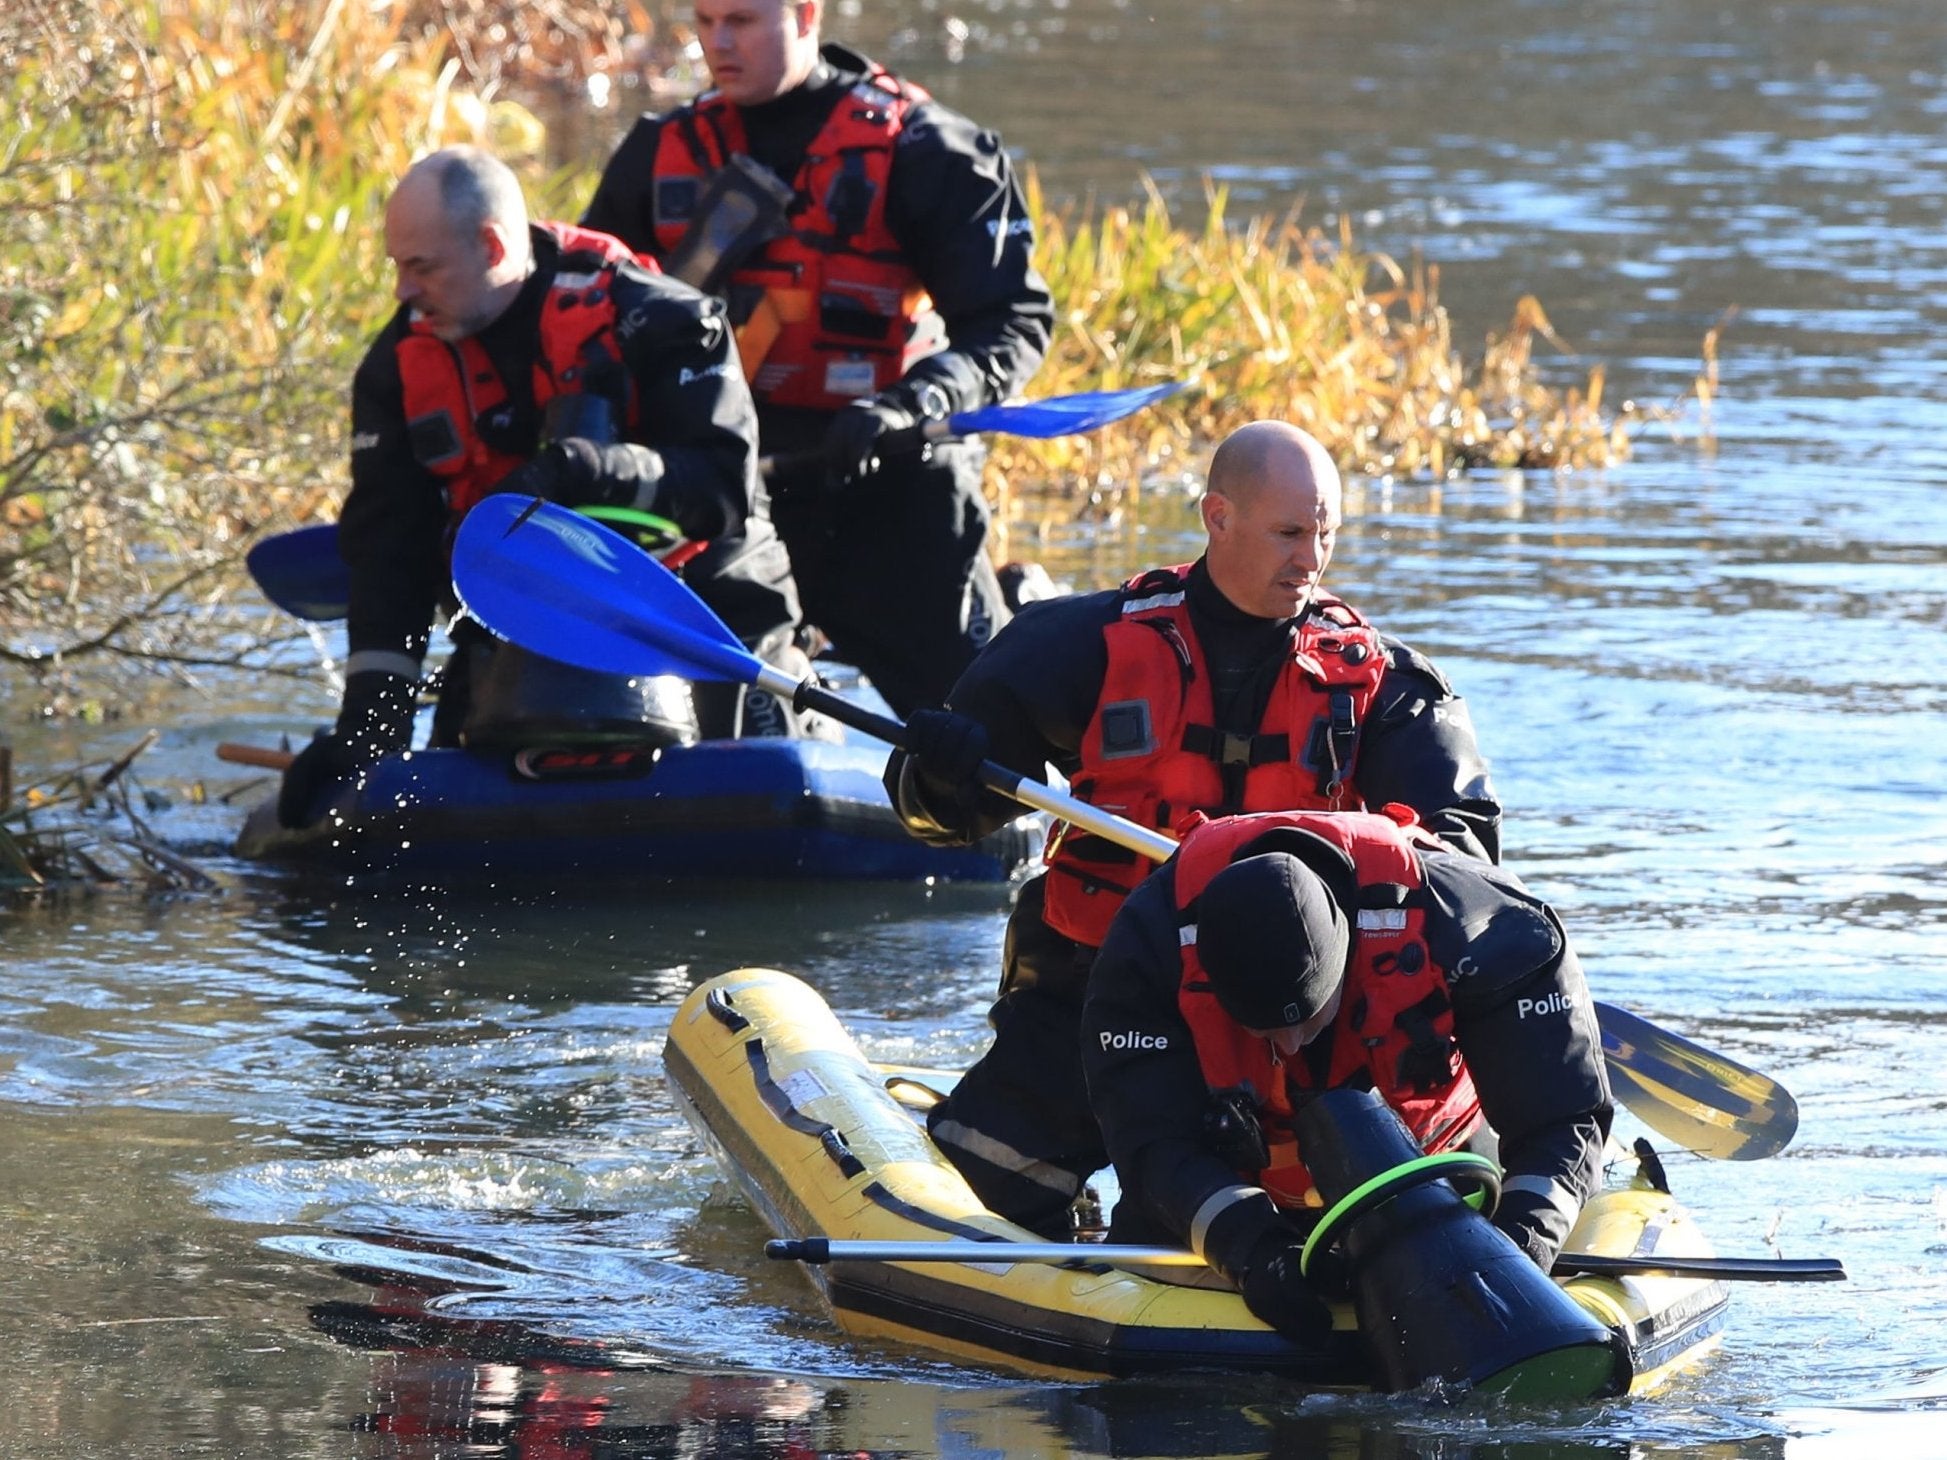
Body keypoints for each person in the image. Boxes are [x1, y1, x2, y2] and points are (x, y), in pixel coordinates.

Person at [883, 420, 1502, 1234]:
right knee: (982, 1194)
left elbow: (1463, 856)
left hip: (1287, 1002)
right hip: (1097, 983)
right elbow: (939, 819)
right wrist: (939, 770)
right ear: (1217, 518)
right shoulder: (1079, 645)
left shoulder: (1383, 686)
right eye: (1288, 532)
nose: (1309, 559)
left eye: (1324, 534)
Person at [278, 145, 802, 829]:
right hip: (527, 623)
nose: (403, 291)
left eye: (422, 267)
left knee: (749, 762)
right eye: (397, 267)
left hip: (695, 608)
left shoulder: (664, 319)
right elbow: (389, 558)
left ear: (492, 245)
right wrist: (369, 734)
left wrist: (580, 470)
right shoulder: (397, 366)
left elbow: (722, 492)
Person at [579, 0, 1054, 716]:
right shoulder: (657, 153)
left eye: (740, 21)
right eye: (705, 23)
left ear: (805, 14)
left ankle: (1024, 624)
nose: (718, 43)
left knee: (976, 725)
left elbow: (1010, 325)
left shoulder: (928, 151)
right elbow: (590, 327)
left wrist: (910, 403)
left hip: (885, 473)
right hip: (724, 488)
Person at [1079, 806, 1613, 1342]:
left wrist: (1518, 1250)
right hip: (1236, 1184)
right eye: (1261, 1030)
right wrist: (1250, 1249)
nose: (1288, 1045)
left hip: (1437, 1172)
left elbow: (1564, 1118)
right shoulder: (1147, 946)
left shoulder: (1485, 928)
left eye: (1306, 1019)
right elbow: (1148, 1138)